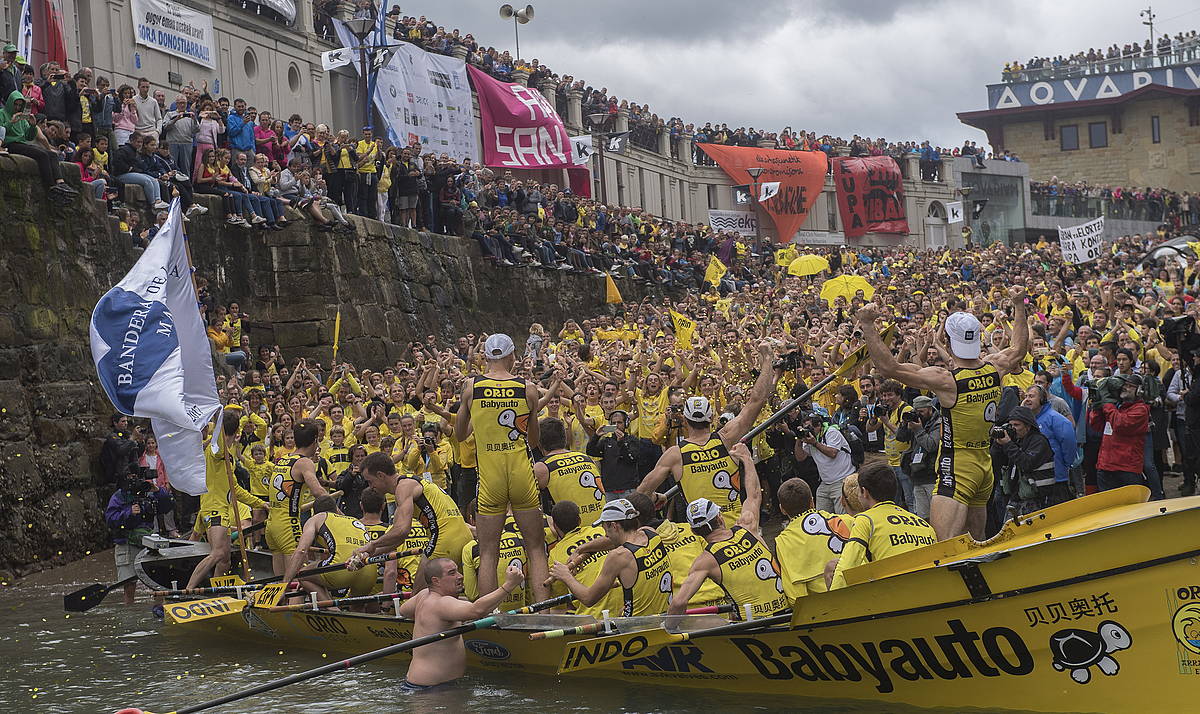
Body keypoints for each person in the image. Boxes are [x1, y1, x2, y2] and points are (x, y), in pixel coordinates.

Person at [855, 287, 1029, 540]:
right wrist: (1019, 305)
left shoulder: (947, 380)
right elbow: (1019, 348)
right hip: (984, 462)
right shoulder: (996, 368)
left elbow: (887, 367)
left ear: (947, 341)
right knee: (977, 540)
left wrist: (868, 325)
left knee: (943, 546)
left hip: (957, 464)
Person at [637, 341, 778, 527]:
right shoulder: (727, 438)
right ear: (711, 418)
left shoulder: (674, 454)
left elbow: (641, 494)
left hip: (703, 537)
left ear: (685, 421)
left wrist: (658, 496)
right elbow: (757, 399)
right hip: (737, 530)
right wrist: (767, 359)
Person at [454, 333, 549, 600]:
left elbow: (460, 434)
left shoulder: (471, 386)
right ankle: (541, 610)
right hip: (521, 474)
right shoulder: (527, 388)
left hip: (490, 477)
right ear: (511, 356)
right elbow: (533, 440)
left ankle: (491, 613)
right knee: (536, 548)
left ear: (485, 356)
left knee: (488, 551)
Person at [667, 443, 788, 619]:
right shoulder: (747, 527)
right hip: (786, 614)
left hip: (753, 626)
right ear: (720, 518)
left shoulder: (705, 561)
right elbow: (754, 494)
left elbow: (678, 603)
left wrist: (670, 631)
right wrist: (746, 458)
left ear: (694, 532)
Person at [396, 558, 523, 690]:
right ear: (436, 581)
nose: (460, 576)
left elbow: (403, 610)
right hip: (431, 689)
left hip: (422, 684)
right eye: (452, 573)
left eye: (458, 571)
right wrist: (509, 585)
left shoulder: (424, 595)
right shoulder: (442, 604)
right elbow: (477, 611)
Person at [548, 498, 672, 616]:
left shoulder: (618, 557)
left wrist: (566, 575)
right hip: (663, 616)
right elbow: (610, 542)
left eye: (605, 529)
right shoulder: (650, 533)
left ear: (614, 526)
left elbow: (588, 598)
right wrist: (581, 549)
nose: (606, 534)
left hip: (636, 627)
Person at [186, 408, 267, 589]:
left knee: (226, 560)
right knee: (218, 553)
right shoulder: (217, 448)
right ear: (237, 432)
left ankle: (217, 590)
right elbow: (219, 441)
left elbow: (235, 489)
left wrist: (261, 503)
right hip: (214, 509)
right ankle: (188, 589)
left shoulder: (228, 454)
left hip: (221, 507)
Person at [351, 452, 473, 569]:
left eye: (370, 481)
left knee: (420, 590)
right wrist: (369, 554)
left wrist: (372, 544)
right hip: (463, 536)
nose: (370, 487)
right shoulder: (408, 484)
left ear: (381, 475)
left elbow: (402, 531)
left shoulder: (403, 488)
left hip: (444, 539)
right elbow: (398, 538)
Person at [827, 462, 937, 590]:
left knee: (832, 567)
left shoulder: (866, 519)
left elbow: (849, 562)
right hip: (927, 588)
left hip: (891, 593)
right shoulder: (923, 524)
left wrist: (833, 602)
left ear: (864, 492)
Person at [278, 495, 378, 606]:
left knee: (303, 574)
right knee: (356, 608)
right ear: (336, 509)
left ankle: (332, 609)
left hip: (343, 568)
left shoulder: (317, 518)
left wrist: (284, 586)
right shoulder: (355, 520)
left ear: (315, 512)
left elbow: (301, 551)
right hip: (369, 570)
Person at [264, 418, 329, 574]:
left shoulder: (283, 460)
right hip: (288, 525)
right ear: (315, 440)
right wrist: (341, 516)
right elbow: (318, 492)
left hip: (271, 525)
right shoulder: (305, 462)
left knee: (279, 583)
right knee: (299, 581)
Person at [772, 478, 853, 600]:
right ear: (812, 502)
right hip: (863, 594)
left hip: (825, 608)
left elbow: (796, 597)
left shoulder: (783, 542)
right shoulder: (846, 521)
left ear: (782, 509)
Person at [105, 464, 174, 604]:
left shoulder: (149, 492)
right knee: (129, 584)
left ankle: (159, 610)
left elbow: (168, 506)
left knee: (157, 583)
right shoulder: (119, 496)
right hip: (127, 543)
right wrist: (128, 512)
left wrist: (158, 491)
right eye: (131, 477)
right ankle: (130, 615)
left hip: (149, 542)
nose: (135, 480)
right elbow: (110, 519)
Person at [0, 91, 78, 203]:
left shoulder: (22, 118)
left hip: (22, 143)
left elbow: (28, 136)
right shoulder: (2, 113)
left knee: (51, 155)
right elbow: (2, 131)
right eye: (15, 104)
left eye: (19, 105)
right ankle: (51, 187)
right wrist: (11, 122)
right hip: (10, 143)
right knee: (42, 155)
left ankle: (60, 182)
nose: (17, 107)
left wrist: (32, 126)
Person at [535, 417, 606, 523]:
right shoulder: (586, 459)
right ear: (564, 438)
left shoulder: (542, 467)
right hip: (603, 524)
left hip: (576, 531)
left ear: (539, 443)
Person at [992, 406, 1059, 517]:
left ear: (1028, 426)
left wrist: (1008, 444)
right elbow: (996, 461)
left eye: (1017, 425)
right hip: (1015, 497)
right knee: (1010, 532)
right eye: (1010, 425)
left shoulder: (1039, 441)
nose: (1013, 429)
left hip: (1036, 499)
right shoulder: (1015, 441)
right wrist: (998, 445)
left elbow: (1026, 463)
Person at [1090, 373, 1150, 491]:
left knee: (1130, 507)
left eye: (1130, 386)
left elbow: (1120, 424)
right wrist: (1097, 407)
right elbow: (1096, 426)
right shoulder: (1116, 406)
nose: (1125, 388)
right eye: (1124, 385)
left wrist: (1107, 404)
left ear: (1139, 391)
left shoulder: (1141, 410)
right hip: (1105, 466)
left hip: (1127, 469)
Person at [792, 410, 856, 514]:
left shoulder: (831, 432)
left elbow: (832, 453)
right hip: (825, 483)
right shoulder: (809, 439)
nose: (808, 430)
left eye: (809, 427)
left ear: (818, 425)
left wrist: (815, 443)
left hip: (842, 480)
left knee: (843, 518)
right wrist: (799, 439)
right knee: (822, 517)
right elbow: (800, 457)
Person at [584, 409, 645, 501]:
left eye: (619, 422)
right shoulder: (606, 441)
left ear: (626, 424)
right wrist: (596, 436)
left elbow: (631, 459)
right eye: (614, 423)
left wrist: (621, 443)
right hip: (609, 489)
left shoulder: (633, 440)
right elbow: (590, 451)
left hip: (628, 488)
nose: (616, 425)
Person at [896, 395, 940, 519]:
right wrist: (904, 424)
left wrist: (919, 430)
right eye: (917, 412)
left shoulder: (938, 423)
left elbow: (931, 445)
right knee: (922, 516)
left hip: (932, 477)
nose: (919, 415)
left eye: (921, 412)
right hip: (917, 475)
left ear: (930, 409)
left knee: (936, 516)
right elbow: (900, 437)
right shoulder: (915, 422)